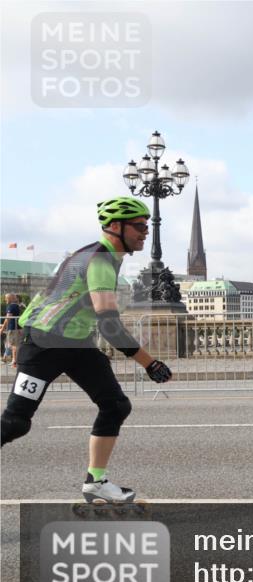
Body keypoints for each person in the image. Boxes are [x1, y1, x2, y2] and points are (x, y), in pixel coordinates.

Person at [1, 197, 173, 506]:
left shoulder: (101, 255)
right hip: (43, 344)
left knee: (115, 405)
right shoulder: (100, 260)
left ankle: (96, 482)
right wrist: (149, 363)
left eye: (147, 226)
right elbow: (110, 324)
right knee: (15, 422)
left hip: (75, 343)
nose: (145, 232)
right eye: (139, 226)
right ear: (115, 227)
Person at [0, 293, 22, 365]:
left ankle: (13, 360)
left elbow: (8, 318)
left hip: (13, 328)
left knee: (13, 345)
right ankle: (8, 359)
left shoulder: (11, 306)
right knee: (10, 344)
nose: (5, 299)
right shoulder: (16, 306)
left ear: (11, 298)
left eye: (7, 298)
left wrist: (2, 329)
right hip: (15, 328)